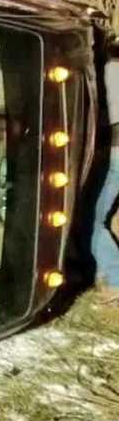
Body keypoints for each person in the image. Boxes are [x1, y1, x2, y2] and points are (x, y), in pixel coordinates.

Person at [91, 58, 119, 288]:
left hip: (114, 156)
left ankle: (116, 279)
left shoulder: (110, 69)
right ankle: (103, 273)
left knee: (93, 222)